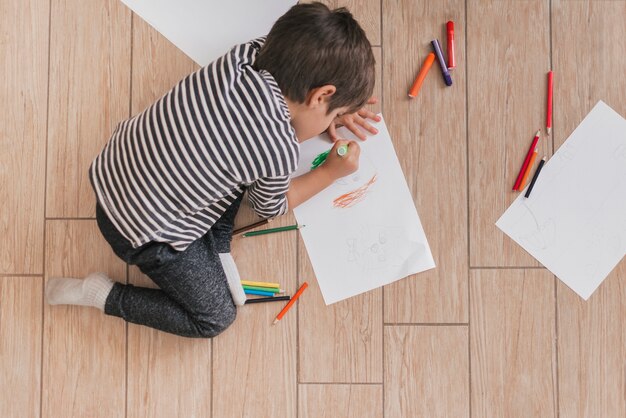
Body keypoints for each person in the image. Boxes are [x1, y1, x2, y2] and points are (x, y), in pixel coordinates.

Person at [45, 2, 379, 338]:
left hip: (112, 168)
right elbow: (270, 206)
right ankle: (102, 294)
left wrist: (330, 109)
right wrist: (328, 173)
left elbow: (292, 51)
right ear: (321, 95)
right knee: (215, 318)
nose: (334, 122)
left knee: (229, 161)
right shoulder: (277, 149)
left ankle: (217, 246)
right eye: (335, 115)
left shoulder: (242, 56)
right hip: (141, 235)